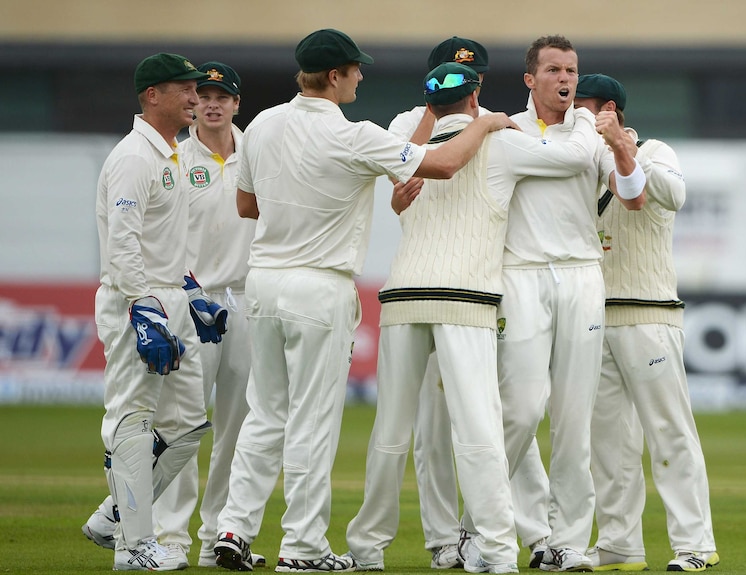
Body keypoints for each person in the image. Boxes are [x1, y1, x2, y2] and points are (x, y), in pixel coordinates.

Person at [211, 29, 517, 573]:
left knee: (264, 414)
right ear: (334, 76)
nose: (360, 76)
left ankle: (233, 528)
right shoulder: (354, 136)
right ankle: (302, 548)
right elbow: (442, 164)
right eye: (355, 70)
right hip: (318, 286)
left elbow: (245, 205)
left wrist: (297, 208)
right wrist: (489, 121)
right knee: (311, 422)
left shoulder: (260, 124)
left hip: (263, 282)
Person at [345, 62, 598, 574]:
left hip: (402, 298)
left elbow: (410, 174)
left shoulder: (411, 146)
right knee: (480, 432)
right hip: (465, 299)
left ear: (429, 103)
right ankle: (500, 553)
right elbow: (574, 157)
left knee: (391, 432)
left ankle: (366, 550)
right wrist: (585, 120)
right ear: (476, 93)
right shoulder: (501, 140)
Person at [467, 35, 645, 573]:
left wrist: (618, 145)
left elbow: (633, 196)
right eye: (553, 70)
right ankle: (482, 528)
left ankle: (566, 540)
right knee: (520, 409)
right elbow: (551, 165)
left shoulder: (595, 130)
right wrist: (590, 146)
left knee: (573, 417)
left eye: (571, 70)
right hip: (519, 274)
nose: (565, 79)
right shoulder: (507, 129)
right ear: (530, 79)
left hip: (581, 274)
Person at [387, 36, 552, 570]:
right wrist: (447, 120)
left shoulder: (507, 125)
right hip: (432, 281)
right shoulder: (408, 121)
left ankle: (509, 530)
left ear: (482, 78)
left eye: (472, 72)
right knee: (432, 426)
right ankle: (443, 540)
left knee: (505, 414)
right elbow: (402, 173)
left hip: (489, 284)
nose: (467, 81)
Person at [572, 73, 720, 573]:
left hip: (650, 315)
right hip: (596, 320)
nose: (575, 115)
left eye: (584, 107)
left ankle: (694, 544)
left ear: (610, 109)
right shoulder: (580, 163)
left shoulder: (656, 151)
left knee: (669, 433)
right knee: (609, 443)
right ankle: (619, 544)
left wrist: (621, 146)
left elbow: (673, 196)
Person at [85, 52, 226, 571]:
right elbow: (122, 243)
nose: (195, 98)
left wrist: (192, 296)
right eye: (185, 90)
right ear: (152, 96)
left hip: (169, 297)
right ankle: (133, 546)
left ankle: (112, 515)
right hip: (134, 300)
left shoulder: (171, 156)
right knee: (133, 419)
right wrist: (144, 310)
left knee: (188, 423)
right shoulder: (132, 157)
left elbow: (168, 242)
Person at [148, 61, 266, 569]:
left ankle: (220, 532)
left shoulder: (256, 154)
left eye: (224, 96)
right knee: (183, 421)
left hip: (244, 298)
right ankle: (170, 536)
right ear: (195, 103)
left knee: (237, 426)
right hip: (191, 300)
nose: (213, 103)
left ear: (237, 104)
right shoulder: (175, 157)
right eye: (206, 95)